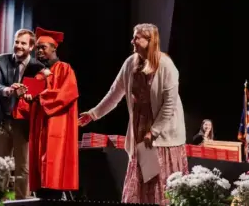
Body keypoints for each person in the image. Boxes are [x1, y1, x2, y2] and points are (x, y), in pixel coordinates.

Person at [79, 23, 188, 205]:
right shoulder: (131, 63)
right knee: (145, 180)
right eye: (133, 36)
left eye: (137, 37)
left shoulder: (166, 65)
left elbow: (169, 104)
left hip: (162, 134)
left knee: (160, 183)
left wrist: (154, 131)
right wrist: (93, 114)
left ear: (150, 41)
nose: (133, 41)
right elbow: (115, 93)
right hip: (141, 133)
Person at [18, 27, 79, 199]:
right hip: (40, 129)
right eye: (37, 48)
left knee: (55, 175)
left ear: (54, 48)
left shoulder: (65, 69)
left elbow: (67, 94)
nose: (39, 51)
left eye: (43, 47)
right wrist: (23, 97)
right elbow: (26, 105)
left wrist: (39, 97)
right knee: (40, 179)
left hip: (57, 127)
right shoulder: (38, 75)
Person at [0, 29, 44, 199]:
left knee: (23, 167)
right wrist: (7, 90)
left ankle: (22, 201)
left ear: (31, 46)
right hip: (2, 121)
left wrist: (31, 96)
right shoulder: (2, 59)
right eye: (17, 42)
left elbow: (42, 92)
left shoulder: (38, 67)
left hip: (23, 123)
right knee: (0, 165)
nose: (18, 46)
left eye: (23, 43)